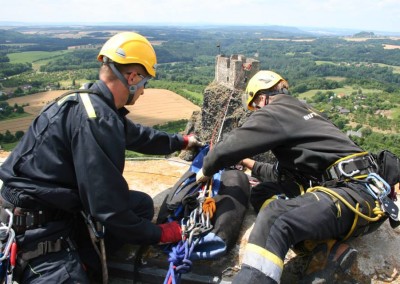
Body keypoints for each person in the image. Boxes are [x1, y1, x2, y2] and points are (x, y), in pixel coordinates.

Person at [0, 32, 203, 283]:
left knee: (140, 205)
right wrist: (158, 233)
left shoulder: (85, 102)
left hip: (51, 208)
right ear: (132, 78)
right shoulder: (96, 119)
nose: (143, 91)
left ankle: (86, 256)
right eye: (145, 83)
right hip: (37, 231)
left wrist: (181, 141)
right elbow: (108, 207)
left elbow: (138, 135)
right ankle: (81, 264)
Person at [196, 70, 396, 283]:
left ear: (262, 97)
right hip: (354, 194)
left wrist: (206, 170)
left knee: (276, 217)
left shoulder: (275, 111)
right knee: (263, 192)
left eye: (255, 107)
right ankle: (328, 250)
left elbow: (227, 147)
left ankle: (253, 278)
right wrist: (248, 162)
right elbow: (280, 174)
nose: (257, 112)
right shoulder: (303, 111)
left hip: (351, 196)